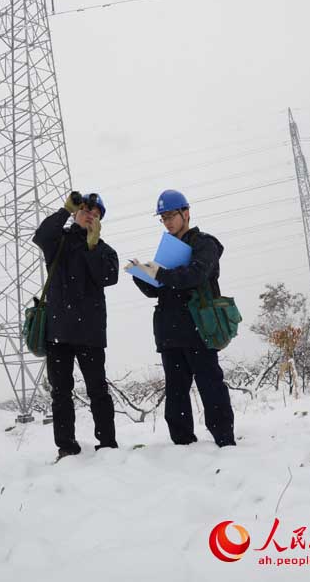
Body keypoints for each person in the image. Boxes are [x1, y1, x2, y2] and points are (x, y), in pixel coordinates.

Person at [126, 189, 235, 448]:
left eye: (171, 215)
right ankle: (182, 442)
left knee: (210, 385)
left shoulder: (204, 244)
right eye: (163, 218)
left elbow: (195, 275)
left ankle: (224, 440)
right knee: (176, 390)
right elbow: (157, 290)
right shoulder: (168, 249)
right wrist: (140, 274)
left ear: (186, 213)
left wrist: (162, 274)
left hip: (199, 327)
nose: (168, 222)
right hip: (170, 331)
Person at [33, 191, 119, 461]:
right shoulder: (58, 241)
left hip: (91, 333)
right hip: (58, 332)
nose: (89, 216)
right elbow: (41, 235)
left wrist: (93, 248)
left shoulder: (104, 250)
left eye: (95, 215)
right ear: (76, 212)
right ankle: (67, 446)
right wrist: (63, 211)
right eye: (84, 210)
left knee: (98, 391)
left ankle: (107, 444)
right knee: (61, 393)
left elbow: (108, 277)